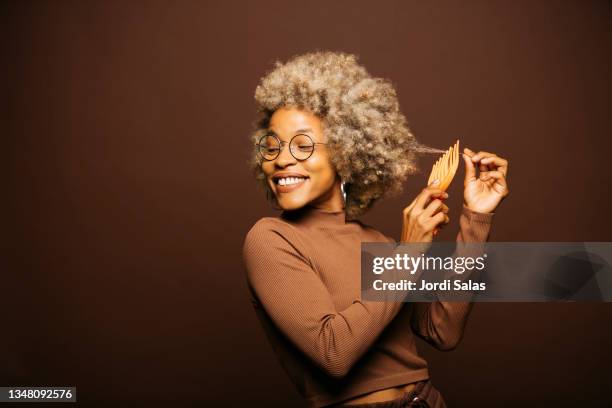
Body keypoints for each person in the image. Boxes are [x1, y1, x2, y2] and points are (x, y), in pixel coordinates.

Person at [242, 51, 509, 407]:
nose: (281, 159)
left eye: (303, 145)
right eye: (271, 146)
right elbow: (333, 353)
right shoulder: (271, 239)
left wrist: (476, 217)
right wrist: (409, 253)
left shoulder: (379, 243)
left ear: (346, 151)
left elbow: (442, 330)